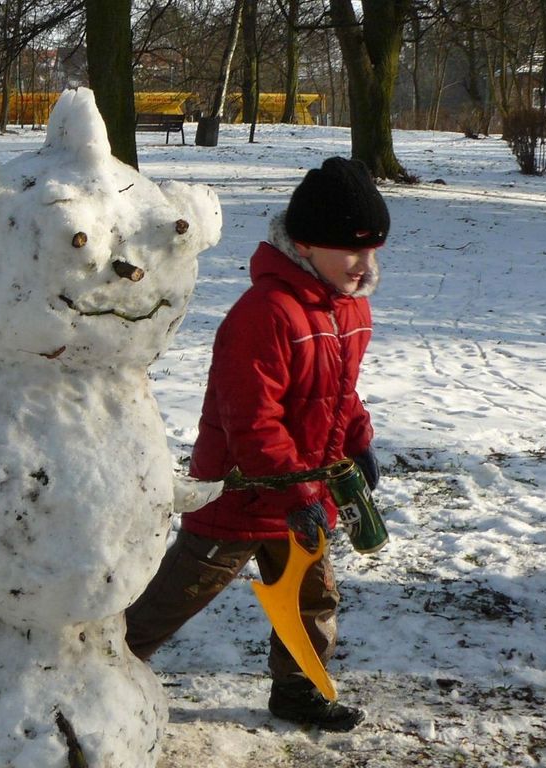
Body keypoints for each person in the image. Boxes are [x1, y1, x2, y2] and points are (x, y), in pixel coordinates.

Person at [125, 156, 388, 733]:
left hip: (306, 495)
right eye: (352, 250)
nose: (365, 265)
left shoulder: (350, 309)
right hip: (242, 494)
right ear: (305, 243)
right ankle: (102, 662)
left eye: (374, 250)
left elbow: (340, 392)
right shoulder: (264, 314)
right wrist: (297, 490)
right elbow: (251, 420)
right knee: (180, 595)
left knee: (312, 599)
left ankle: (297, 693)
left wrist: (359, 441)